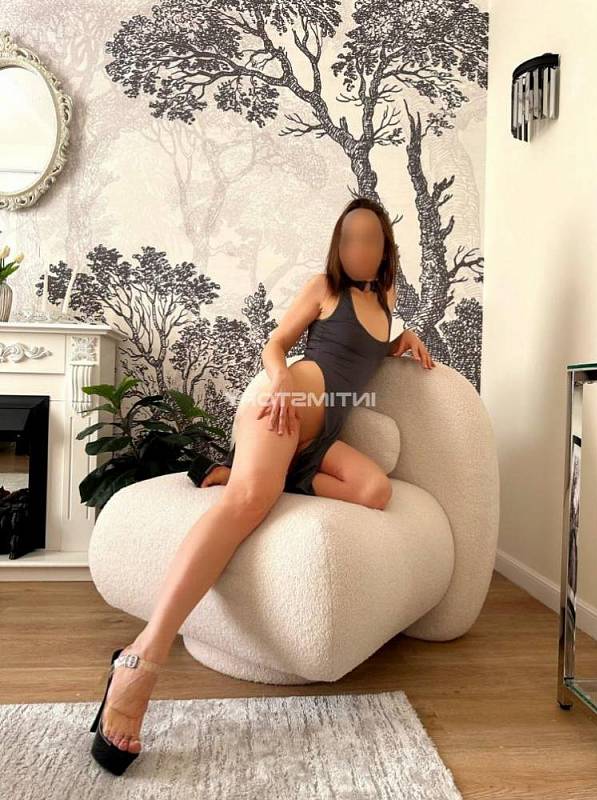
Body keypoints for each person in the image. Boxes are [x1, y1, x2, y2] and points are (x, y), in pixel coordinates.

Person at [89, 196, 435, 775]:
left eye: (370, 238)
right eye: (349, 238)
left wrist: (406, 339)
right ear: (338, 245)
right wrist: (278, 385)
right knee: (249, 502)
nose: (359, 248)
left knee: (375, 490)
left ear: (385, 248)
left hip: (320, 440)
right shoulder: (324, 288)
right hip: (284, 410)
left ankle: (250, 470)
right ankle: (141, 659)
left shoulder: (387, 300)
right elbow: (275, 344)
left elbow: (368, 351)